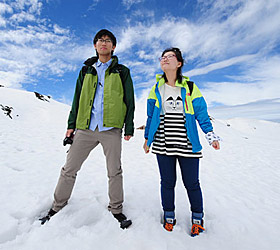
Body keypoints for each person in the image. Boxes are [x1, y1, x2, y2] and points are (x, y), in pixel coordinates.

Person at [40, 29, 135, 229]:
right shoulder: (86, 70)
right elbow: (76, 99)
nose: (104, 43)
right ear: (95, 45)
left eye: (108, 40)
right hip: (85, 128)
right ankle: (57, 205)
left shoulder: (122, 71)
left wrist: (129, 126)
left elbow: (129, 100)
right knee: (69, 169)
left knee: (114, 171)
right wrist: (71, 126)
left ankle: (116, 209)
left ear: (113, 46)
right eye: (100, 40)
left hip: (111, 129)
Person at [143, 47, 220, 236]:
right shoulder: (156, 88)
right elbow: (151, 115)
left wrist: (210, 135)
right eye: (163, 57)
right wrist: (147, 138)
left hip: (188, 144)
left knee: (192, 183)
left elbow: (201, 113)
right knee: (167, 182)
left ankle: (197, 218)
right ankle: (169, 215)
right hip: (163, 143)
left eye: (170, 56)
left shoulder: (191, 87)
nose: (165, 59)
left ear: (179, 63)